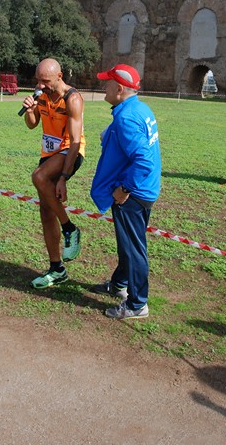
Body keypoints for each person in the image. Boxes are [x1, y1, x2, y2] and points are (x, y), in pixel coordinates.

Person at [91, 64, 161, 319]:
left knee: (133, 247)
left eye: (107, 83)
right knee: (128, 243)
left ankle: (137, 304)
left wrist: (123, 189)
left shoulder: (126, 118)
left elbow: (143, 159)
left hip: (133, 194)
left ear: (119, 88)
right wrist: (109, 135)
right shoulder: (139, 107)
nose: (103, 87)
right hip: (145, 189)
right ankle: (119, 284)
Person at [22, 58, 85, 289]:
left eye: (45, 81)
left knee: (38, 177)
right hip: (48, 154)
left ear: (59, 77)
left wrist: (64, 178)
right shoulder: (41, 95)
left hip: (70, 152)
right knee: (46, 212)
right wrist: (30, 110)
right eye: (38, 80)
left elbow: (76, 141)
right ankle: (56, 268)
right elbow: (32, 124)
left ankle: (70, 228)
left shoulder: (73, 98)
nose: (40, 85)